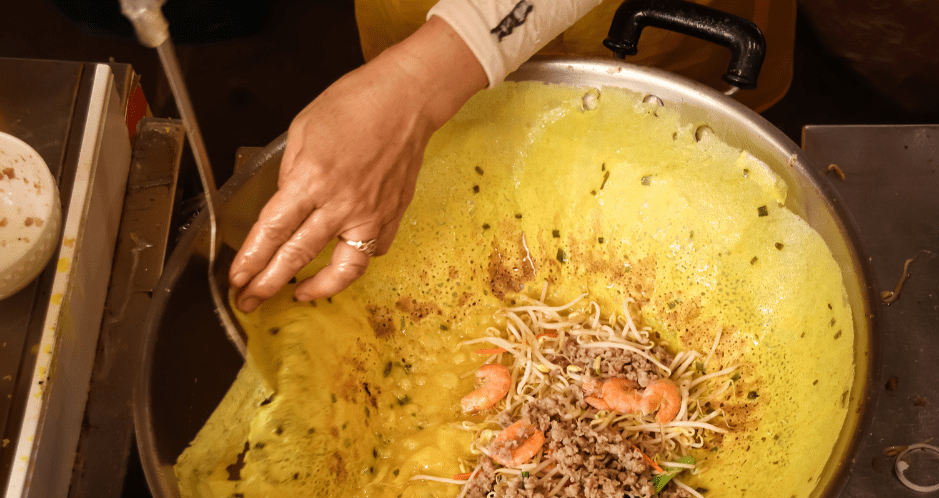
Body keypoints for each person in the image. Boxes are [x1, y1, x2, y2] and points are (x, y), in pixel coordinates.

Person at [229, 0, 793, 313]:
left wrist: (418, 80)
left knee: (685, 152)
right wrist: (409, 82)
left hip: (627, 24)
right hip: (418, 29)